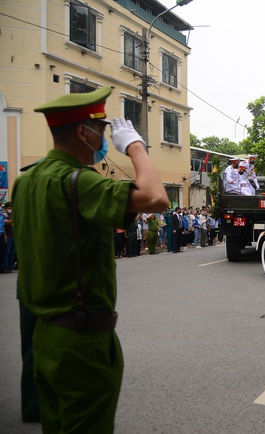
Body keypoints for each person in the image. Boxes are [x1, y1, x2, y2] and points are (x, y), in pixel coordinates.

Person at [12, 86, 169, 432]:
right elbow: (157, 198)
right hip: (80, 341)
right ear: (83, 133)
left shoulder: (25, 182)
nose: (104, 138)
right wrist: (134, 145)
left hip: (44, 335)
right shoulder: (78, 181)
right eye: (102, 130)